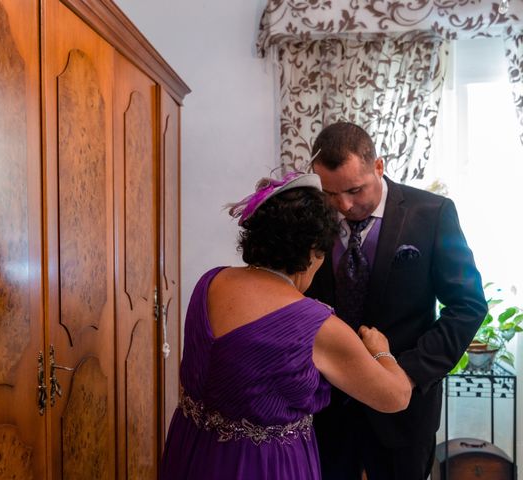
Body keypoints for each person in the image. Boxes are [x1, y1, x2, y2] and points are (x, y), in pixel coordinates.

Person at [160, 171, 413, 479]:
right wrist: (380, 351)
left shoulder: (210, 282)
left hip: (191, 453)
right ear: (313, 252)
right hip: (263, 466)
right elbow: (396, 397)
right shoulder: (316, 325)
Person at [306, 122, 488, 480]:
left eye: (355, 190)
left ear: (379, 166)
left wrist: (406, 372)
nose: (344, 205)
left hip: (404, 412)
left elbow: (467, 305)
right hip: (327, 406)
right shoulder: (315, 218)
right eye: (331, 194)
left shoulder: (433, 214)